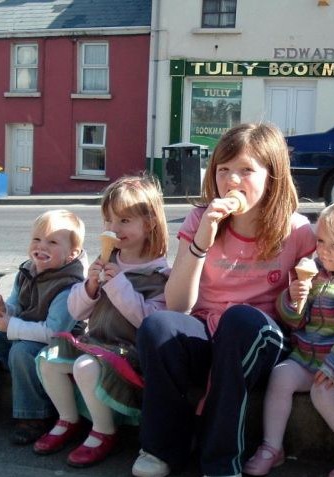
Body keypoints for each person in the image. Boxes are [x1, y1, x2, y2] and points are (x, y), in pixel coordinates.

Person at [131, 122, 317, 477]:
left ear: (272, 176)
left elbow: (307, 304)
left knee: (239, 320)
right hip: (207, 330)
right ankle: (161, 449)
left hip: (257, 337)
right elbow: (178, 306)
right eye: (224, 170)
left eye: (246, 170)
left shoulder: (296, 230)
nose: (232, 181)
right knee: (158, 326)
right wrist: (201, 242)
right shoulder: (200, 219)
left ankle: (221, 461)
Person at [33, 174, 171, 468]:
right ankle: (68, 419)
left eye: (124, 221)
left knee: (84, 366)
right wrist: (90, 287)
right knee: (49, 358)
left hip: (127, 352)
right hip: (93, 342)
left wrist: (118, 284)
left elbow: (147, 321)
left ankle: (104, 431)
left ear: (149, 223)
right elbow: (77, 311)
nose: (112, 229)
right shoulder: (106, 258)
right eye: (108, 220)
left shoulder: (160, 274)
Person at [244, 197, 334, 477]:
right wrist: (292, 300)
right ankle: (273, 446)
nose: (325, 251)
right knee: (280, 375)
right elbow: (294, 322)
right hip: (306, 358)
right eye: (321, 241)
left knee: (323, 394)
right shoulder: (314, 274)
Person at [0, 209, 87, 445]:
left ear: (72, 254)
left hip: (59, 346)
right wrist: (4, 309)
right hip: (23, 331)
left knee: (21, 351)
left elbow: (53, 332)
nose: (41, 246)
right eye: (36, 239)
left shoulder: (69, 285)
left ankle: (34, 416)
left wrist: (11, 325)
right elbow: (17, 305)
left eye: (52, 242)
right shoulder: (28, 270)